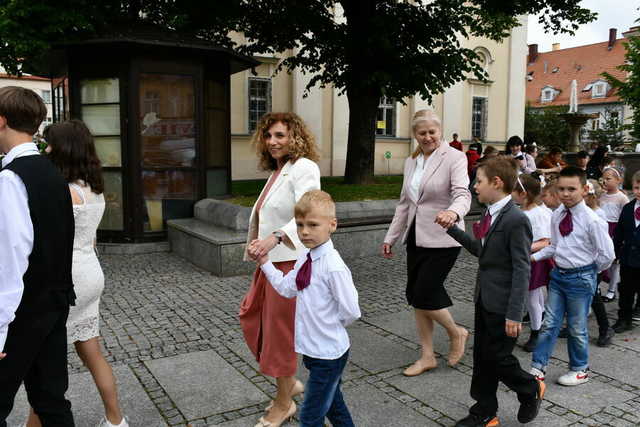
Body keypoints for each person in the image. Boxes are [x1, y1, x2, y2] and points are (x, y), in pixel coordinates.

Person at [25, 120, 128, 427]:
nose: (47, 148)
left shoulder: (63, 191)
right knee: (91, 351)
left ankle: (34, 423)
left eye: (50, 143)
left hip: (66, 278)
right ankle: (116, 419)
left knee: (45, 363)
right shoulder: (91, 187)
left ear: (63, 147)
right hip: (90, 272)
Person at [441, 157, 544, 427]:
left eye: (479, 181)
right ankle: (484, 411)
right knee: (482, 357)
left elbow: (522, 269)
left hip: (504, 304)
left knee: (498, 358)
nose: (475, 187)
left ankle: (529, 388)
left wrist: (514, 314)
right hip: (484, 298)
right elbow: (482, 252)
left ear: (496, 183)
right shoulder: (489, 214)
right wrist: (452, 230)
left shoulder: (516, 219)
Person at [239, 112, 321, 426]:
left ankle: (283, 403)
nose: (273, 142)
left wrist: (274, 239)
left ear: (295, 137)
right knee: (252, 319)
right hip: (270, 263)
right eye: (269, 136)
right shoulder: (281, 169)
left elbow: (307, 211)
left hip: (288, 261)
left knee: (279, 336)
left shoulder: (304, 168)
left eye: (280, 136)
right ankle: (289, 384)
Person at [0, 86, 76, 426]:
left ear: (1, 121)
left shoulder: (11, 178)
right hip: (53, 305)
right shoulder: (52, 173)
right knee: (51, 401)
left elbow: (10, 261)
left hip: (23, 313)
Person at [256, 190, 360, 427]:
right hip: (313, 352)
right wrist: (265, 263)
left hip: (329, 354)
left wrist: (330, 326)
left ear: (332, 225)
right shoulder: (305, 257)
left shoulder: (332, 266)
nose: (304, 231)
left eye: (313, 225)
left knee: (310, 417)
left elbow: (351, 310)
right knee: (334, 405)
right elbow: (287, 288)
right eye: (300, 224)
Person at [382, 110, 471, 377]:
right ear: (415, 135)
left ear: (440, 131)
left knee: (424, 292)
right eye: (422, 133)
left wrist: (454, 212)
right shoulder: (411, 162)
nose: (428, 137)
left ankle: (457, 333)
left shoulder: (455, 157)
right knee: (416, 297)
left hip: (444, 237)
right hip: (416, 238)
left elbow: (462, 194)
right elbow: (404, 204)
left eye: (432, 131)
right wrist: (391, 237)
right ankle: (427, 355)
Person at [530, 167, 615, 386]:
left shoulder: (592, 220)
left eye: (571, 189)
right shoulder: (557, 214)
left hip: (581, 278)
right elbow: (554, 246)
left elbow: (607, 254)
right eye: (561, 189)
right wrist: (533, 258)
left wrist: (589, 273)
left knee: (577, 327)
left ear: (584, 189)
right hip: (558, 276)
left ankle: (580, 369)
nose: (566, 194)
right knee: (549, 323)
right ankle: (538, 366)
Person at [511, 174, 552, 353]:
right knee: (529, 297)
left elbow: (545, 241)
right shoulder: (519, 210)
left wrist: (524, 249)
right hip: (521, 259)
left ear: (523, 194)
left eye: (513, 189)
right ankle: (537, 322)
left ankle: (537, 332)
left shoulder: (538, 214)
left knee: (533, 297)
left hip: (533, 260)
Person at [612, 170, 640, 333]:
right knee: (625, 289)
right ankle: (624, 318)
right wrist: (615, 252)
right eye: (636, 187)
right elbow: (619, 232)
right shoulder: (628, 208)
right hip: (628, 257)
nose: (639, 191)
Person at [599, 167, 629, 302]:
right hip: (602, 228)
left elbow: (626, 217)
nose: (605, 181)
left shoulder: (622, 198)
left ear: (618, 180)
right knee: (600, 258)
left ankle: (611, 290)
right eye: (603, 178)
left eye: (608, 179)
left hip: (615, 230)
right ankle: (598, 286)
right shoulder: (601, 195)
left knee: (614, 262)